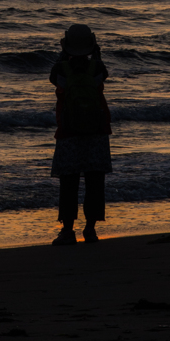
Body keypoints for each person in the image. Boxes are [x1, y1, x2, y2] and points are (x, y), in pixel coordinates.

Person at [49, 23, 112, 246]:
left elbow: (55, 79)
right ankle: (91, 230)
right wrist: (96, 55)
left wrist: (63, 55)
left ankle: (67, 231)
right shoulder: (98, 68)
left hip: (68, 132)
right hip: (96, 131)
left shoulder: (59, 70)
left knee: (69, 182)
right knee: (95, 180)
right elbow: (102, 76)